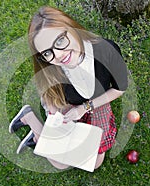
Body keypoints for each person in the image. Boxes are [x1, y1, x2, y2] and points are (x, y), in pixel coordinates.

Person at [9, 6, 128, 170]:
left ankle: (37, 137)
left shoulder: (106, 51)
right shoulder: (52, 69)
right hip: (66, 105)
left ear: (71, 27)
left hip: (94, 104)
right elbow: (50, 95)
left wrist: (84, 108)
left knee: (94, 163)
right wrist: (55, 117)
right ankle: (31, 121)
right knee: (60, 164)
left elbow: (119, 89)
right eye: (47, 53)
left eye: (59, 41)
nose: (58, 55)